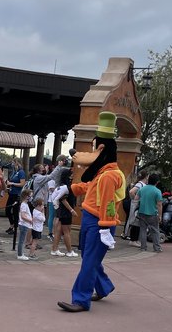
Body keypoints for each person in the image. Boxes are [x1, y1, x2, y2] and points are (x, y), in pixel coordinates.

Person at [57, 112, 125, 312]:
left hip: (99, 223)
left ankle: (80, 300)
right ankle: (104, 286)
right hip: (90, 219)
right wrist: (69, 188)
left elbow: (108, 203)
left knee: (89, 263)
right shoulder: (103, 173)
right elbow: (90, 188)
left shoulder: (110, 176)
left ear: (101, 149)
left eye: (95, 148)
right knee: (89, 259)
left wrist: (105, 227)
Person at [50, 168, 78, 257]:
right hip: (65, 212)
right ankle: (69, 251)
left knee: (58, 231)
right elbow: (63, 200)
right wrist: (71, 210)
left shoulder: (61, 185)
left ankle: (54, 249)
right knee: (67, 231)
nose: (73, 175)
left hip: (61, 210)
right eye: (71, 174)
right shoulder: (66, 187)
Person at [136, 173, 163, 252]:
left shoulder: (142, 189)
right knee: (155, 231)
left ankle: (143, 247)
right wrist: (160, 215)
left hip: (141, 212)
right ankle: (157, 248)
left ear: (148, 180)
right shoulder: (157, 191)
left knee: (143, 230)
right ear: (157, 182)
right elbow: (159, 205)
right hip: (152, 214)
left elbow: (136, 198)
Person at [121, 170, 149, 241]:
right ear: (146, 177)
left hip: (131, 203)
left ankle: (126, 234)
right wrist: (135, 200)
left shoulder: (140, 184)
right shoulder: (140, 184)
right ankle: (125, 234)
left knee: (131, 219)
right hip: (133, 204)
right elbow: (131, 192)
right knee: (131, 219)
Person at [5, 159, 26, 234]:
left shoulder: (21, 172)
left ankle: (14, 228)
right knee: (7, 210)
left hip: (17, 194)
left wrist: (12, 183)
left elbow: (22, 184)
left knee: (15, 211)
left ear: (17, 163)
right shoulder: (15, 172)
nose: (12, 164)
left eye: (13, 163)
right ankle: (12, 224)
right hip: (11, 193)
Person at [16, 188, 33, 260]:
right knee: (21, 240)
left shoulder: (25, 204)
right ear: (26, 196)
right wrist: (30, 220)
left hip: (25, 224)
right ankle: (20, 255)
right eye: (30, 196)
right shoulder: (23, 205)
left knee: (22, 240)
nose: (31, 197)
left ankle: (21, 253)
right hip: (24, 224)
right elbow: (23, 216)